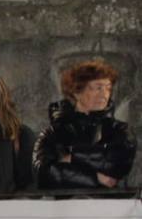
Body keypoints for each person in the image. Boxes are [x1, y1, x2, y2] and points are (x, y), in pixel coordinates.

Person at [34, 59, 135, 190]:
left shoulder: (120, 130)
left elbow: (117, 164)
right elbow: (44, 175)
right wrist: (96, 178)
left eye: (108, 88)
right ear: (77, 92)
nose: (104, 94)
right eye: (98, 87)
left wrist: (72, 157)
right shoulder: (51, 134)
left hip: (110, 208)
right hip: (64, 208)